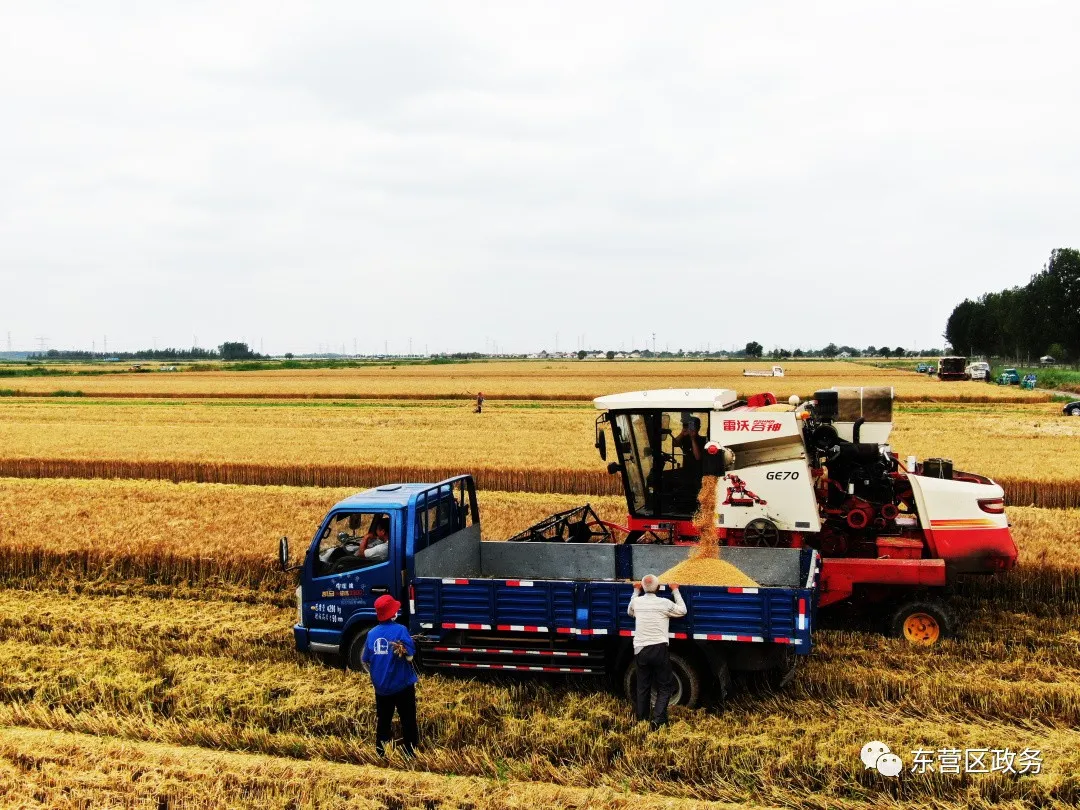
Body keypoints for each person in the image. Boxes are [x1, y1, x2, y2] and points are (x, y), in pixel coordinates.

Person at [362, 594, 419, 756]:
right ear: (392, 613)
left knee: (384, 720)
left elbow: (365, 659)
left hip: (381, 688)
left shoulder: (371, 634)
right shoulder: (400, 630)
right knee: (408, 719)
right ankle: (410, 752)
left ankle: (381, 751)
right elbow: (410, 656)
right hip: (401, 685)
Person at [627, 574, 686, 729]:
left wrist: (635, 591)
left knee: (643, 686)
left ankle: (642, 719)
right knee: (665, 685)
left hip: (640, 650)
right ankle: (659, 719)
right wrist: (675, 590)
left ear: (643, 588)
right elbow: (683, 611)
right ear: (659, 588)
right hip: (659, 649)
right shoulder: (664, 603)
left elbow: (630, 612)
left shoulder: (636, 602)